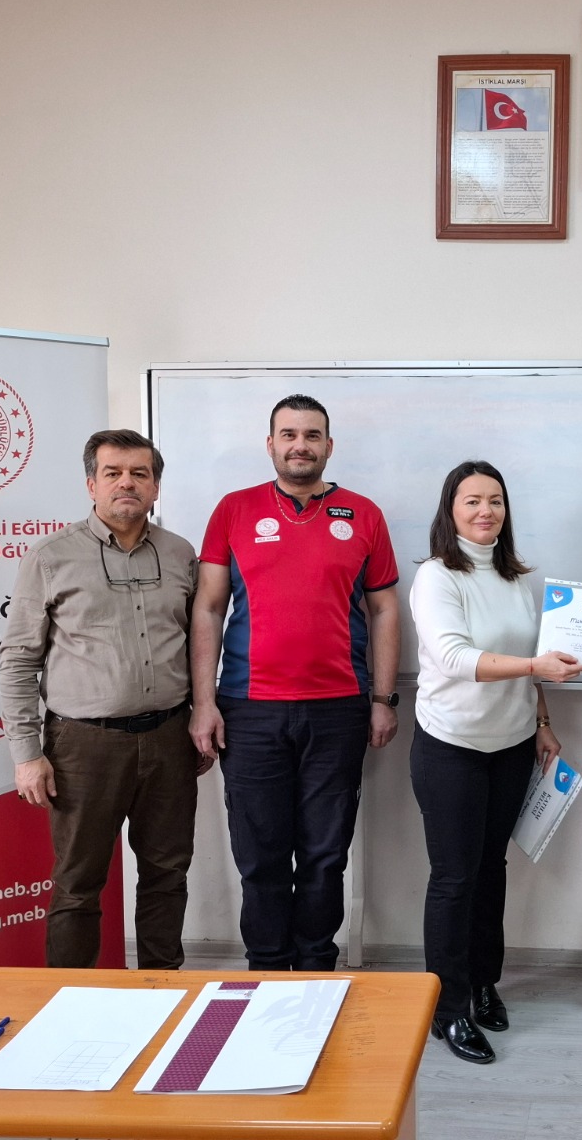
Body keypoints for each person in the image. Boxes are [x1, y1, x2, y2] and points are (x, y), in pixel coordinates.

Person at [189, 394, 402, 971]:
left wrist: (383, 699)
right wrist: (203, 702)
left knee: (324, 856)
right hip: (249, 709)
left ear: (328, 446)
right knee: (260, 856)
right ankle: (266, 969)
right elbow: (208, 608)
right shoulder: (234, 509)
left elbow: (385, 610)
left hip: (339, 709)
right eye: (288, 435)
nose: (300, 446)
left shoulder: (364, 514)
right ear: (271, 444)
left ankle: (314, 970)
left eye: (311, 436)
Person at [0, 428, 204, 968]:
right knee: (78, 882)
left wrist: (201, 718)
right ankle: (71, 998)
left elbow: (199, 645)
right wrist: (26, 754)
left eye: (139, 473)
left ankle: (161, 986)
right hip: (83, 746)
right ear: (92, 484)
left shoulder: (181, 554)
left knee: (167, 872)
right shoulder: (51, 556)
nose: (126, 483)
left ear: (155, 487)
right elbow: (18, 659)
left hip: (170, 738)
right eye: (113, 473)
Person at [409, 460, 582, 1064]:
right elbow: (455, 658)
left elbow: (531, 656)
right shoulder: (436, 576)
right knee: (454, 879)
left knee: (491, 871)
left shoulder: (516, 577)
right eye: (472, 501)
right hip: (451, 747)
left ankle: (483, 983)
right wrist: (536, 667)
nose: (485, 511)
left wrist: (542, 721)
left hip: (511, 745)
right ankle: (447, 1009)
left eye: (495, 500)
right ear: (450, 510)